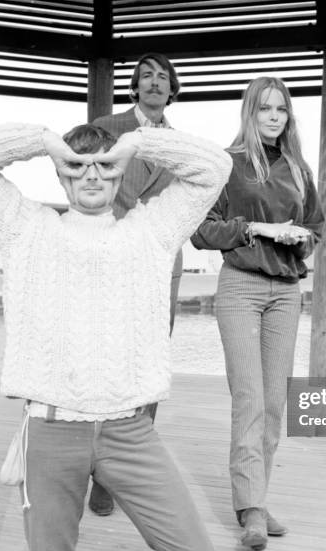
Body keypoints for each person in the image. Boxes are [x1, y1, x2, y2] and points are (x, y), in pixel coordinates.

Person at [0, 122, 231, 551]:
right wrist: (42, 141)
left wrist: (139, 143)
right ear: (61, 175)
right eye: (78, 168)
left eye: (104, 166)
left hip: (130, 432)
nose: (92, 177)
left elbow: (214, 168)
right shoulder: (26, 228)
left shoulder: (153, 231)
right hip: (51, 432)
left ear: (120, 174)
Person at [191, 77, 324, 551]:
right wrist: (258, 228)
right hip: (241, 288)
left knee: (272, 405)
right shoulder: (227, 164)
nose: (273, 116)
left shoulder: (298, 167)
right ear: (250, 112)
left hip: (287, 292)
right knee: (249, 399)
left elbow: (316, 227)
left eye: (281, 109)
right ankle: (249, 509)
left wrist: (300, 238)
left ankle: (257, 498)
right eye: (265, 108)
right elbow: (201, 231)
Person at [89, 52, 181, 516]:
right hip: (112, 252)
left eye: (163, 78)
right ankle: (101, 471)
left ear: (172, 89)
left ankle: (131, 470)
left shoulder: (181, 144)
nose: (154, 83)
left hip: (161, 259)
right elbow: (84, 175)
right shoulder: (108, 125)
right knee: (107, 354)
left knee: (149, 361)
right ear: (134, 87)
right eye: (146, 76)